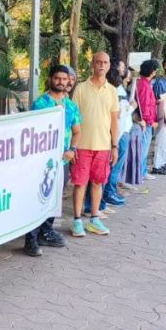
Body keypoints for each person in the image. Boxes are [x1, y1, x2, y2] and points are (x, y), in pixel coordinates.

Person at [25, 65, 80, 256]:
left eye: (64, 79)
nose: (61, 82)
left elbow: (77, 131)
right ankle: (31, 239)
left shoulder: (71, 106)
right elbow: (32, 131)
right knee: (38, 198)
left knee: (54, 197)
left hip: (62, 162)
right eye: (57, 78)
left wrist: (72, 150)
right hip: (42, 162)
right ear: (50, 79)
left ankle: (46, 231)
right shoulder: (41, 104)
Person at [70, 51, 119, 237]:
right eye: (98, 62)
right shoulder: (81, 88)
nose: (102, 65)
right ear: (92, 64)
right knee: (80, 183)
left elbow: (114, 121)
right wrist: (72, 146)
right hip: (82, 146)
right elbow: (74, 118)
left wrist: (114, 146)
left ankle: (94, 219)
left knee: (98, 182)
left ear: (109, 65)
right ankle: (77, 220)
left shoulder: (112, 91)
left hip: (104, 146)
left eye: (105, 62)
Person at [101, 63, 130, 206]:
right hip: (117, 133)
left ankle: (108, 193)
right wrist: (131, 107)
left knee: (115, 166)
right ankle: (108, 193)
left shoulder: (118, 88)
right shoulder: (114, 89)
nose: (124, 70)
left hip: (122, 131)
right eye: (122, 67)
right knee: (113, 166)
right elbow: (118, 113)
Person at [134, 60, 159, 180]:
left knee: (144, 148)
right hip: (146, 123)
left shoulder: (144, 83)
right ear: (152, 71)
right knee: (143, 149)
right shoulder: (144, 85)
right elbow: (144, 106)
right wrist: (150, 121)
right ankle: (139, 173)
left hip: (147, 121)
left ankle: (142, 171)